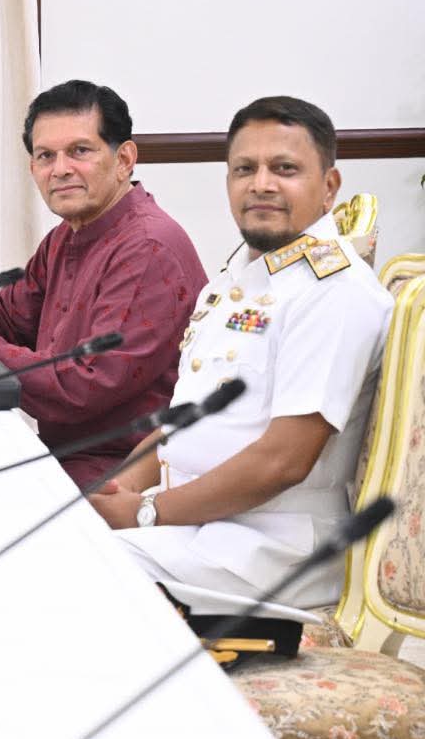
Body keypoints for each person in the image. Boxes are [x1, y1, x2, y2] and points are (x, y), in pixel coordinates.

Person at [91, 96, 394, 612]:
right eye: (244, 169)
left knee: (61, 574)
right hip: (196, 526)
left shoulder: (334, 293)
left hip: (269, 548)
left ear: (329, 187)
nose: (261, 184)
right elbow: (179, 425)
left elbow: (283, 461)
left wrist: (147, 514)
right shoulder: (237, 281)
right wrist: (113, 491)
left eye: (285, 169)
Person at [0, 80, 207, 486]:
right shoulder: (67, 234)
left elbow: (85, 383)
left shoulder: (148, 248)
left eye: (80, 151)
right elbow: (9, 318)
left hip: (122, 472)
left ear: (124, 159)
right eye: (45, 155)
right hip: (67, 451)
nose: (60, 169)